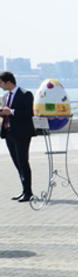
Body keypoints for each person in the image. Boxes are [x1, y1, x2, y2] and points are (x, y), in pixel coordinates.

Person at [0, 72, 34, 202]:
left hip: (22, 134)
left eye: (1, 83)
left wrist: (12, 112)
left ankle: (28, 193)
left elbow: (29, 113)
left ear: (8, 82)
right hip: (9, 133)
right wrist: (3, 113)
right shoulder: (5, 96)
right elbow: (6, 113)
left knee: (23, 162)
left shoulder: (25, 94)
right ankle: (24, 190)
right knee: (17, 163)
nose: (0, 86)